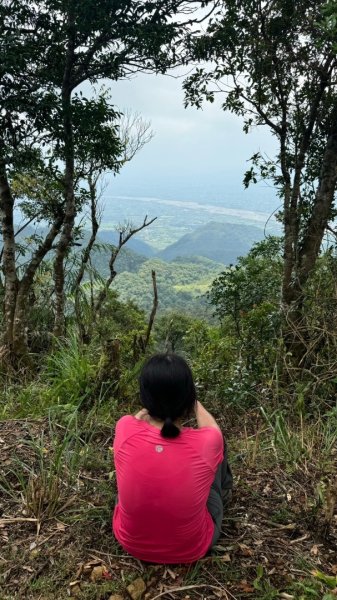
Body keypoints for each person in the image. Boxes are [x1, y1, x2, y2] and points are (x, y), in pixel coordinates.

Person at [112, 353, 232, 563]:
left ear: (145, 397)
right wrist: (192, 401)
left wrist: (149, 409)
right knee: (216, 458)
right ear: (187, 397)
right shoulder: (208, 442)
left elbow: (135, 418)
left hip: (131, 543)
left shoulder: (124, 428)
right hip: (191, 547)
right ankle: (226, 492)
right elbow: (213, 428)